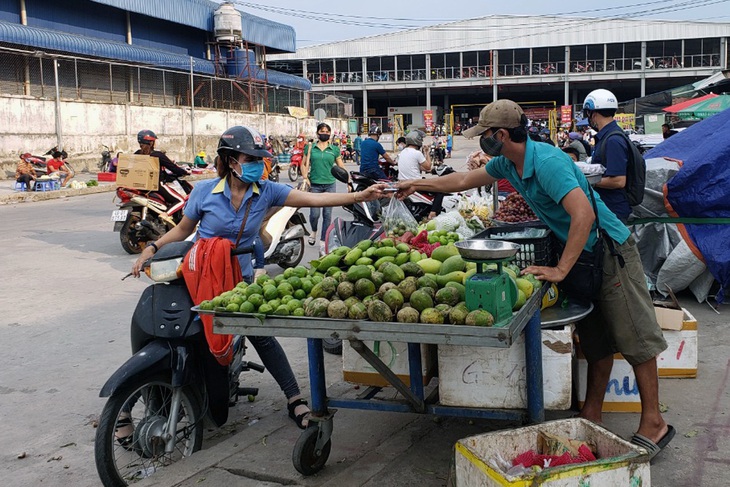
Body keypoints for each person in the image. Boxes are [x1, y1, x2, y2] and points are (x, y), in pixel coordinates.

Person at [396, 100, 674, 459]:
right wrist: (416, 182)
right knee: (596, 339)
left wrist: (560, 270)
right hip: (580, 253)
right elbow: (463, 179)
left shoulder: (546, 163)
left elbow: (584, 215)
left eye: (484, 135)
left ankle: (653, 420)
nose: (480, 142)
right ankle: (592, 413)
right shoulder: (508, 163)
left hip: (610, 251)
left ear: (500, 135)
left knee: (635, 337)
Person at [131, 125, 385, 429]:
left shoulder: (267, 191)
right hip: (202, 276)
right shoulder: (204, 192)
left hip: (240, 277)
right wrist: (152, 247)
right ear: (229, 160)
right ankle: (136, 400)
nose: (255, 164)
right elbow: (184, 229)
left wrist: (360, 195)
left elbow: (315, 200)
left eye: (257, 158)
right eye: (248, 158)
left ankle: (294, 398)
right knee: (172, 328)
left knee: (262, 337)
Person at [582, 89, 632, 222]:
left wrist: (585, 181)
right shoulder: (607, 137)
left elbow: (618, 181)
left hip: (613, 212)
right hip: (608, 208)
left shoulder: (613, 140)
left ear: (593, 113)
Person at [301, 122, 348, 254]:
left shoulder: (334, 149)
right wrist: (305, 177)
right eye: (322, 131)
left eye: (327, 132)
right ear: (317, 133)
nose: (325, 134)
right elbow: (303, 164)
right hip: (314, 185)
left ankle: (323, 241)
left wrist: (348, 181)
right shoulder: (310, 148)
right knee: (314, 214)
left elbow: (341, 167)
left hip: (330, 185)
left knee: (327, 214)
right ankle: (314, 230)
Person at [134, 129, 190, 214]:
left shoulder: (136, 154)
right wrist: (185, 172)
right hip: (157, 186)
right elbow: (173, 168)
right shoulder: (158, 155)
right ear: (151, 143)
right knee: (180, 201)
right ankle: (165, 215)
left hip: (140, 186)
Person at [397, 131, 443, 219]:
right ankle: (432, 214)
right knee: (440, 189)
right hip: (415, 183)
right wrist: (427, 152)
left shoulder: (402, 153)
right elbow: (428, 167)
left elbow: (415, 166)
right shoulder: (417, 153)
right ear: (417, 141)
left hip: (402, 183)